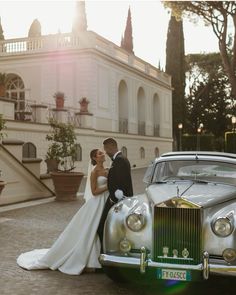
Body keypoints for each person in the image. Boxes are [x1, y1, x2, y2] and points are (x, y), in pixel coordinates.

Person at [17, 149, 109, 275]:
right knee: (91, 230)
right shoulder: (94, 172)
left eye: (103, 152)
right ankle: (87, 259)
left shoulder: (107, 169)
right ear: (95, 157)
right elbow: (94, 191)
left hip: (105, 202)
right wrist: (107, 186)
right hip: (97, 203)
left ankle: (95, 259)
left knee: (95, 230)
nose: (103, 154)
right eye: (100, 153)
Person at [97, 138, 133, 250]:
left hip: (117, 201)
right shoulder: (119, 159)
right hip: (116, 199)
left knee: (102, 227)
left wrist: (116, 199)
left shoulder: (120, 160)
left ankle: (105, 254)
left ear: (112, 146)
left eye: (106, 149)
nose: (106, 152)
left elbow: (121, 182)